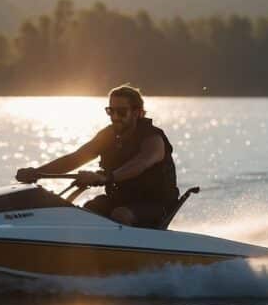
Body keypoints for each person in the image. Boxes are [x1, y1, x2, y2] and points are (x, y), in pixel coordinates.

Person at [15, 84, 179, 228]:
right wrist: (36, 172)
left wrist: (107, 177)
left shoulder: (153, 138)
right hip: (121, 200)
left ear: (137, 113)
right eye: (111, 111)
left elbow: (142, 162)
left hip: (156, 204)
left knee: (121, 215)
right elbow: (75, 158)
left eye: (121, 112)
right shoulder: (108, 135)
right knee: (85, 213)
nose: (115, 117)